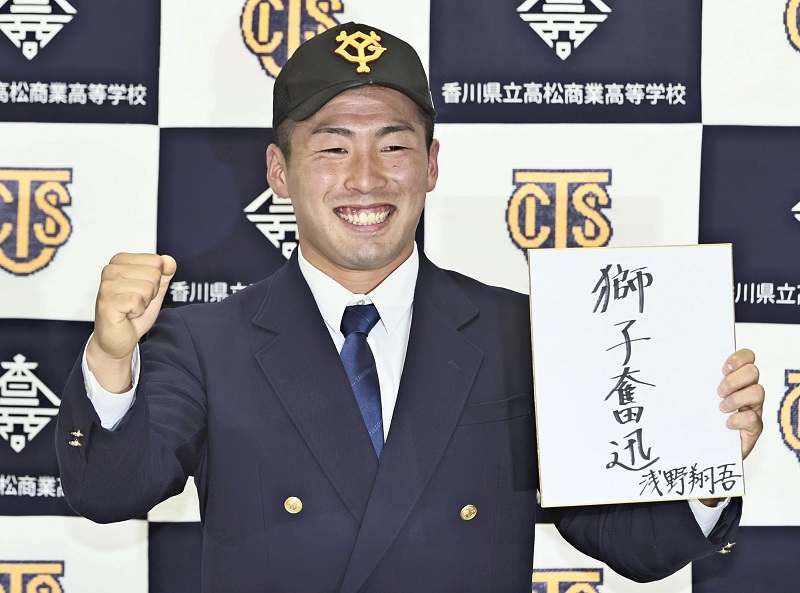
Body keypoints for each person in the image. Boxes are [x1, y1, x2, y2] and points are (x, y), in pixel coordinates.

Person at [55, 23, 764, 593]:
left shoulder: (523, 332)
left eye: (393, 145)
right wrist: (113, 362)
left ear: (430, 163)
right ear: (279, 171)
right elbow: (109, 490)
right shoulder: (204, 338)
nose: (366, 178)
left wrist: (703, 462)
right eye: (332, 147)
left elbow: (632, 543)